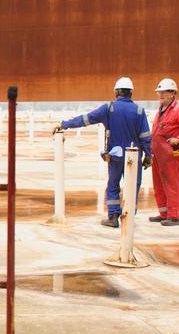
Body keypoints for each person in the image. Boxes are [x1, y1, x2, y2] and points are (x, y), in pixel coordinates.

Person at [53, 77, 152, 228]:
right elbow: (145, 136)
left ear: (116, 92)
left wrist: (64, 124)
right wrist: (149, 155)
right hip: (134, 156)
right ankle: (129, 216)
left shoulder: (109, 108)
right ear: (131, 93)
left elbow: (86, 119)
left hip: (115, 156)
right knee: (132, 186)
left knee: (113, 185)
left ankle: (113, 217)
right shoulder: (139, 111)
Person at [148, 77, 179, 226]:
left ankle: (174, 216)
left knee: (171, 184)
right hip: (158, 155)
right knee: (159, 184)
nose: (160, 95)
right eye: (159, 92)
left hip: (170, 155)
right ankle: (164, 213)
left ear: (172, 93)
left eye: (163, 92)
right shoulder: (161, 110)